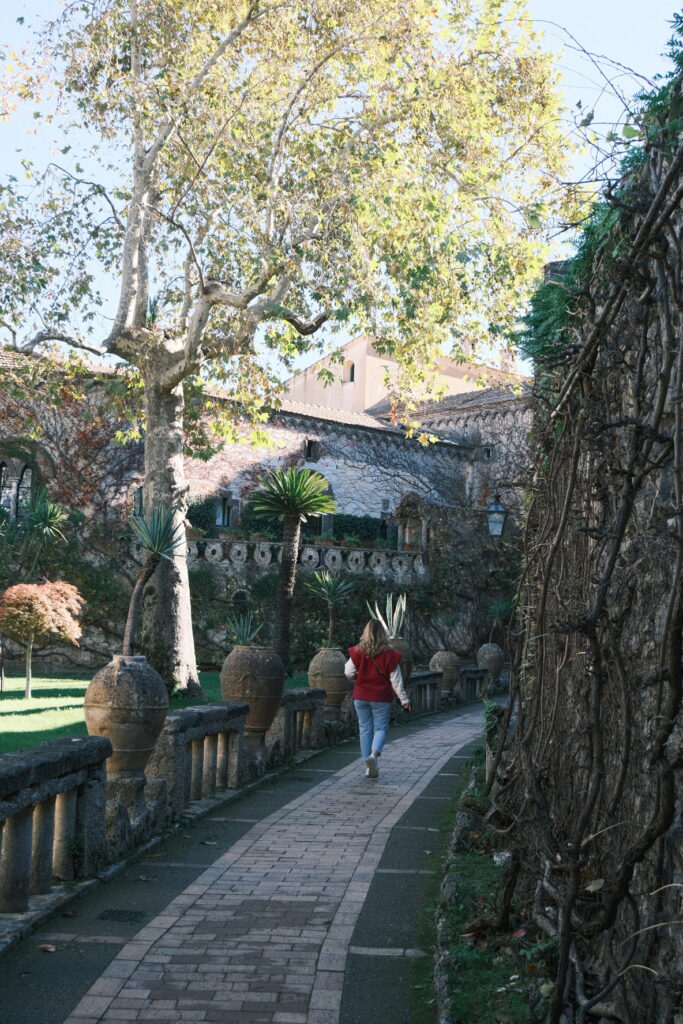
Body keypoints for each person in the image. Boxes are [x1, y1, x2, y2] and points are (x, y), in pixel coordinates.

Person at [345, 618, 411, 779]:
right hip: (381, 697)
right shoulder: (390, 654)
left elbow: (348, 672)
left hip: (361, 696)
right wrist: (404, 699)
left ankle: (368, 767)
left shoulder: (357, 651)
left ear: (366, 633)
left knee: (365, 729)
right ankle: (374, 756)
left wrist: (358, 678)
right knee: (380, 728)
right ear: (383, 634)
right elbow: (396, 680)